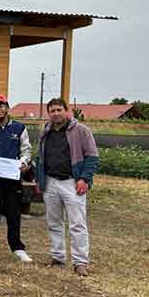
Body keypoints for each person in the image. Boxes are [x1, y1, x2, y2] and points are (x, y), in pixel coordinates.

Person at [37, 98, 98, 277]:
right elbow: (40, 157)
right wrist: (41, 181)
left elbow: (92, 156)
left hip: (72, 182)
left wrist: (84, 179)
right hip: (51, 182)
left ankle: (80, 262)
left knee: (77, 224)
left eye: (58, 110)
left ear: (66, 110)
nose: (55, 114)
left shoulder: (80, 130)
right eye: (52, 111)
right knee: (54, 223)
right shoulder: (46, 132)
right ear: (49, 113)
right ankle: (58, 258)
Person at [0, 92, 33, 263]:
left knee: (13, 214)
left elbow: (26, 150)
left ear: (7, 108)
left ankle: (17, 247)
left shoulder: (19, 128)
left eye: (1, 105)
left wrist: (24, 162)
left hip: (13, 178)